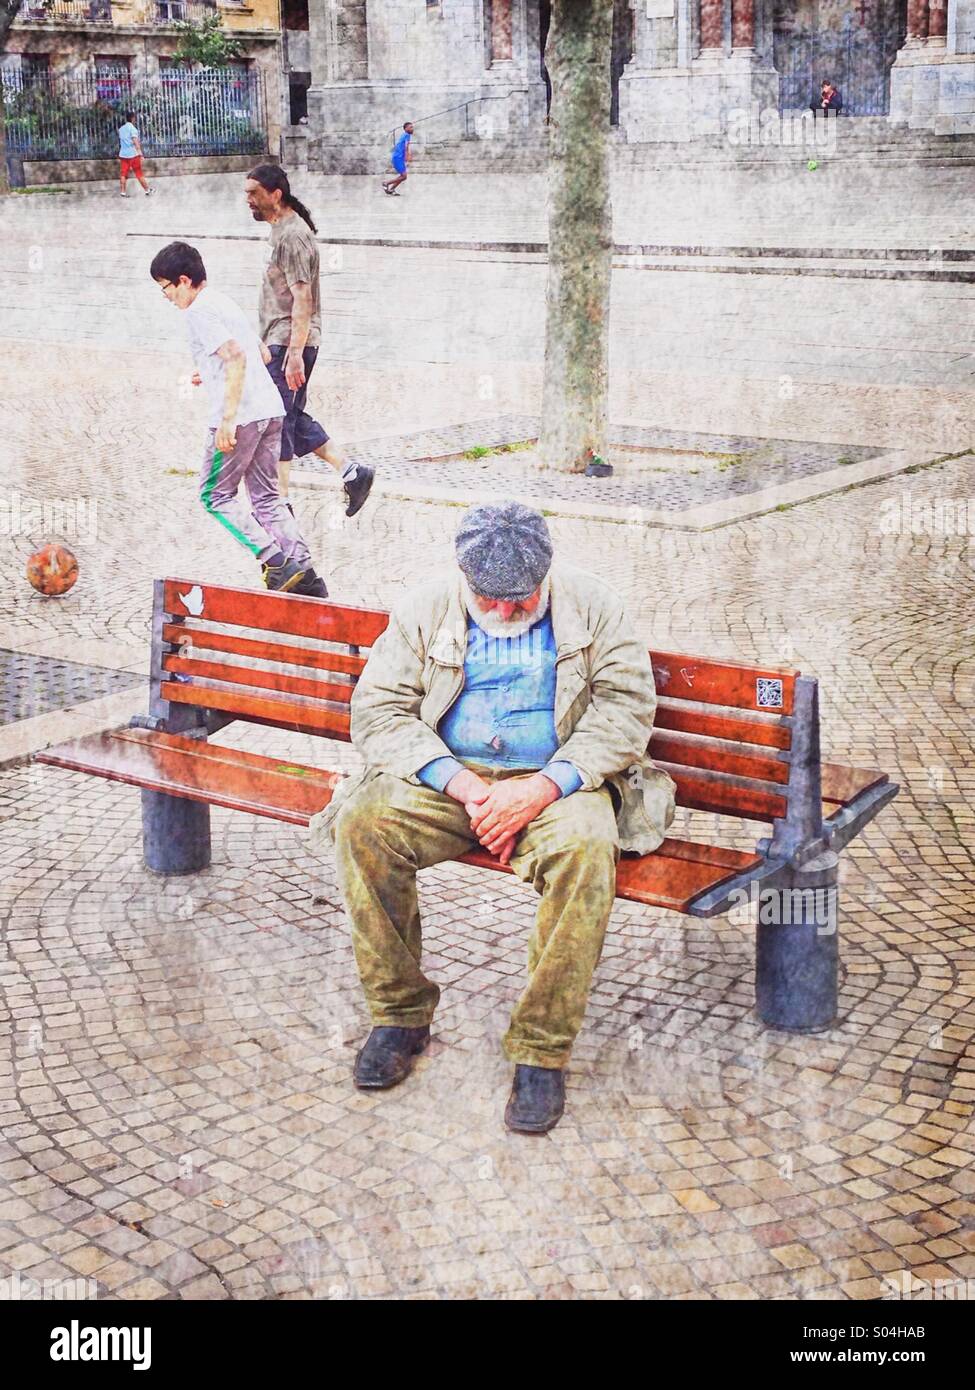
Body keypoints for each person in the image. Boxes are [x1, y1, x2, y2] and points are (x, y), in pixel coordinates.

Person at [309, 502, 676, 1134]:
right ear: (463, 574)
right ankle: (399, 1014)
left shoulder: (595, 606)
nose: (504, 611)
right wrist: (461, 783)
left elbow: (624, 714)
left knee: (587, 850)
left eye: (519, 597)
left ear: (547, 574)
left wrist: (541, 787)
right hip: (450, 777)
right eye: (489, 597)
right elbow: (377, 712)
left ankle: (540, 1049)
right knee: (364, 825)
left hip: (558, 783)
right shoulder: (426, 607)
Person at [150, 240, 328, 597]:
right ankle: (306, 574)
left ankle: (274, 561)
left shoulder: (197, 311)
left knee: (213, 495)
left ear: (183, 281)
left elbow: (236, 357)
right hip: (270, 410)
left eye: (166, 288)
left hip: (242, 416)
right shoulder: (222, 301)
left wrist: (228, 420)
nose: (167, 297)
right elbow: (260, 353)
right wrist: (208, 370)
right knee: (267, 498)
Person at [244, 164, 374, 519]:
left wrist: (296, 353)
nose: (248, 201)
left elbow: (304, 299)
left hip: (290, 343)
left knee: (278, 419)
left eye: (254, 193)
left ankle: (280, 502)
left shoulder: (293, 237)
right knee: (291, 415)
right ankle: (353, 473)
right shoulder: (280, 232)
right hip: (280, 340)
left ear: (275, 194)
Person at [118, 112, 152, 198]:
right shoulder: (133, 129)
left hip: (123, 154)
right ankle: (147, 190)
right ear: (133, 118)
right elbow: (136, 142)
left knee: (123, 174)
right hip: (133, 154)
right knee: (139, 173)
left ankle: (123, 192)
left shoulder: (121, 129)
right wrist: (140, 154)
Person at [382, 121, 414, 196]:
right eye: (410, 127)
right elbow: (406, 146)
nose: (412, 129)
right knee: (404, 176)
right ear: (405, 128)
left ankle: (391, 189)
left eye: (412, 127)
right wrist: (407, 156)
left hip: (398, 157)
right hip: (398, 158)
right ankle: (386, 183)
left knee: (403, 176)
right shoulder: (406, 135)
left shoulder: (405, 135)